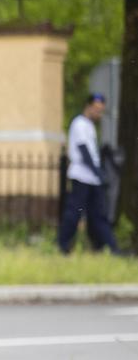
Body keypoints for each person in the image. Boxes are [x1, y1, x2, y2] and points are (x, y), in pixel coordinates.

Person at [59, 93, 123, 255]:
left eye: (101, 110)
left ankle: (110, 248)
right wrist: (98, 173)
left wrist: (97, 174)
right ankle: (62, 245)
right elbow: (84, 151)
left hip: (92, 179)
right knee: (75, 213)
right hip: (81, 176)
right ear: (88, 107)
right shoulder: (79, 124)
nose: (98, 113)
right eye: (96, 109)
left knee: (99, 215)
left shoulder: (89, 126)